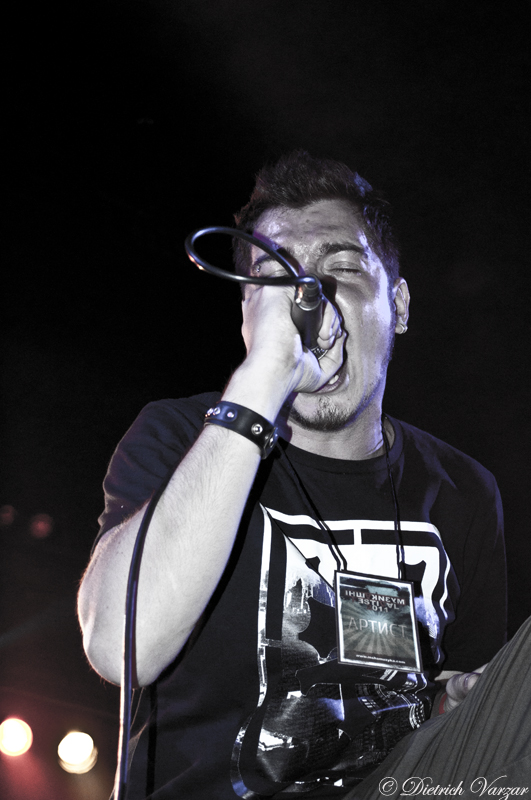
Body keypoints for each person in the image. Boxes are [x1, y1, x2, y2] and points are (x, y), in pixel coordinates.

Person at [78, 152, 528, 799]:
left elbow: (465, 705)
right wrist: (261, 383)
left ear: (398, 305)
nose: (309, 296)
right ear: (247, 315)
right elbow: (122, 648)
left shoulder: (462, 490)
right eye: (277, 278)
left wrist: (451, 701)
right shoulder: (182, 435)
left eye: (341, 268)